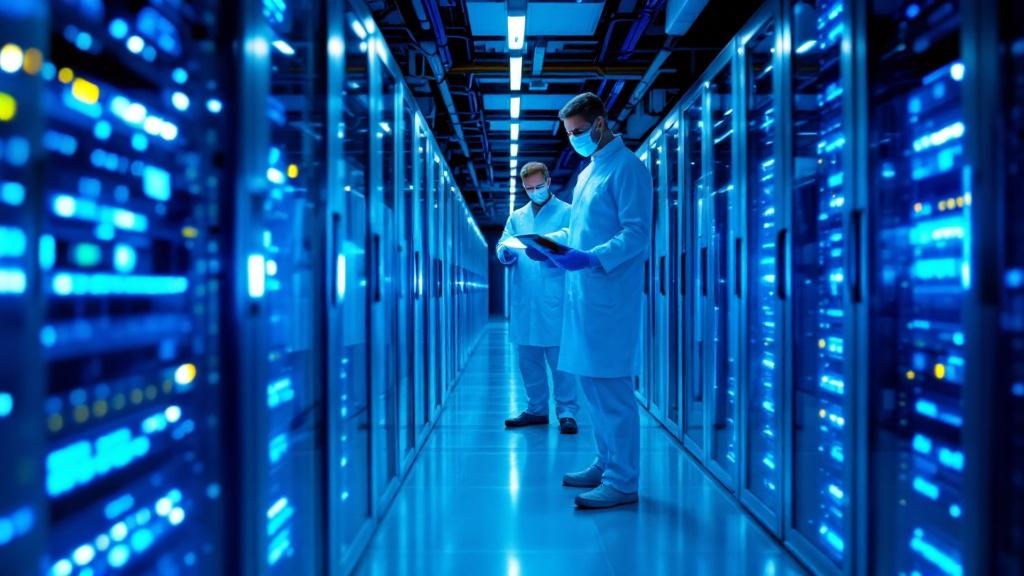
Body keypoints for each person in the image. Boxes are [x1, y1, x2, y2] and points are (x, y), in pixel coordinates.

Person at [527, 92, 652, 509]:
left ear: (600, 123)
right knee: (590, 387)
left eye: (580, 131)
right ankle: (605, 462)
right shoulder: (587, 173)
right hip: (582, 296)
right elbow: (579, 233)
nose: (575, 139)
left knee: (611, 389)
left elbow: (636, 234)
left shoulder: (628, 169)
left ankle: (623, 480)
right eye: (570, 134)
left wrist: (592, 259)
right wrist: (548, 244)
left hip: (610, 298)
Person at [496, 162, 580, 435]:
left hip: (555, 298)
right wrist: (505, 254)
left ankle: (567, 412)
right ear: (524, 187)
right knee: (528, 360)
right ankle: (536, 410)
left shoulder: (567, 211)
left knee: (561, 362)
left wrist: (544, 244)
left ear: (549, 181)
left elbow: (571, 237)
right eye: (529, 188)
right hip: (525, 299)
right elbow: (504, 242)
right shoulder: (517, 216)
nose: (535, 191)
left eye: (539, 186)